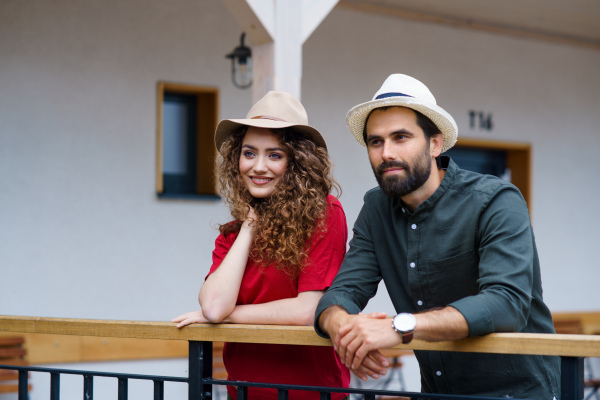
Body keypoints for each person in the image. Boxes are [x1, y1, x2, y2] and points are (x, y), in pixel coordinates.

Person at [315, 74, 560, 399]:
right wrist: (345, 332)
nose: (386, 152)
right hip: (439, 392)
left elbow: (506, 303)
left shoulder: (496, 199)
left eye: (400, 137)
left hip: (519, 394)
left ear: (435, 143)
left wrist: (396, 327)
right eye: (376, 141)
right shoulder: (376, 209)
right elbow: (341, 293)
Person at [173, 91, 350, 400]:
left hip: (309, 394)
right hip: (242, 393)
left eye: (275, 155)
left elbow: (307, 310)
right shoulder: (233, 232)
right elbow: (214, 305)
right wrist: (249, 228)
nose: (258, 166)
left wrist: (229, 315)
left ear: (297, 163)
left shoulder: (325, 214)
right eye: (249, 152)